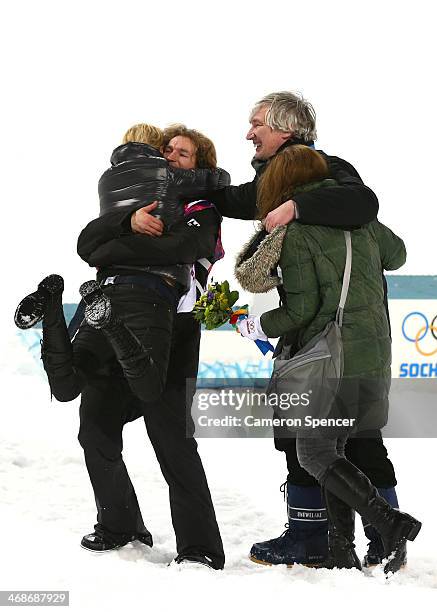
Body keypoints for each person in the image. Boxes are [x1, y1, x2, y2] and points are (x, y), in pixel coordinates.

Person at [129, 91, 401, 568]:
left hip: (325, 337)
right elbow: (228, 198)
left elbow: (363, 200)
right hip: (348, 338)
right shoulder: (274, 183)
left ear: (286, 130)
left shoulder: (325, 171)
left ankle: (347, 534)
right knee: (337, 436)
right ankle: (351, 537)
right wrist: (165, 178)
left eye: (256, 123)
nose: (248, 132)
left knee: (328, 437)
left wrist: (294, 208)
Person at [14, 125, 226, 570]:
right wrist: (126, 224)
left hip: (176, 327)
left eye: (182, 154)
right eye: (165, 149)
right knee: (95, 427)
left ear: (198, 166)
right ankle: (121, 524)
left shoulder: (203, 205)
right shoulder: (134, 199)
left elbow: (187, 244)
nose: (169, 157)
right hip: (117, 311)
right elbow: (89, 244)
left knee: (171, 439)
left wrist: (117, 247)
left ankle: (200, 547)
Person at [235, 144, 420, 575]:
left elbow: (301, 311)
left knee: (315, 453)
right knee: (337, 448)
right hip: (373, 352)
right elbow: (399, 256)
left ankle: (389, 524)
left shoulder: (299, 233)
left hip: (328, 360)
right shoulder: (363, 219)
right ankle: (341, 548)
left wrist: (259, 327)